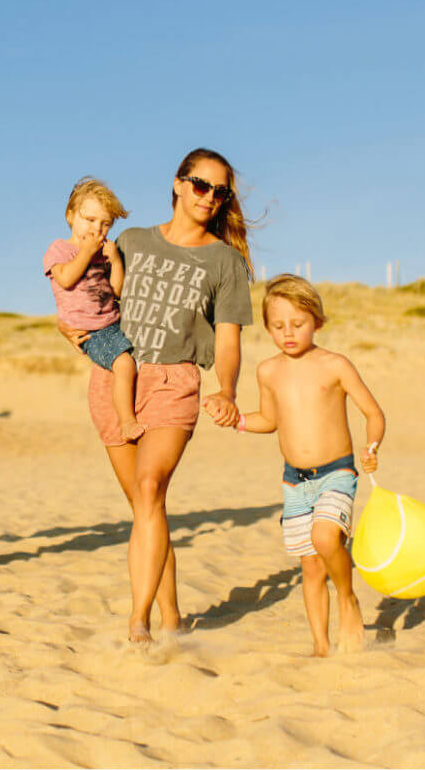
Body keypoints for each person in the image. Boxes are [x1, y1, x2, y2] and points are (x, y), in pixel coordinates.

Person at [60, 148, 254, 645]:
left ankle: (139, 621)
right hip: (116, 378)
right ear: (177, 184)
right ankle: (172, 620)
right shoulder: (131, 240)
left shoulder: (225, 262)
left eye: (220, 191)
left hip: (174, 383)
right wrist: (67, 327)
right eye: (200, 185)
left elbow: (228, 337)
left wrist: (227, 388)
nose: (209, 197)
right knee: (148, 506)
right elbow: (91, 297)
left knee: (149, 489)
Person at [236, 274, 385, 656]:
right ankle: (320, 645)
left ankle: (348, 599)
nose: (288, 333)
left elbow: (373, 413)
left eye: (298, 324)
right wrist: (235, 418)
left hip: (338, 472)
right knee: (311, 567)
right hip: (294, 482)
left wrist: (372, 446)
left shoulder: (335, 365)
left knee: (325, 539)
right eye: (278, 326)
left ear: (317, 321)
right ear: (267, 327)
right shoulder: (267, 371)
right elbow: (269, 421)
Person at [44, 178, 141, 440]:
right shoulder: (59, 249)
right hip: (91, 330)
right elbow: (65, 279)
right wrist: (85, 252)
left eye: (105, 223)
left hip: (112, 321)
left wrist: (116, 261)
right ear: (70, 216)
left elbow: (116, 290)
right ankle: (127, 421)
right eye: (89, 219)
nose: (97, 229)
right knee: (123, 363)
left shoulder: (103, 252)